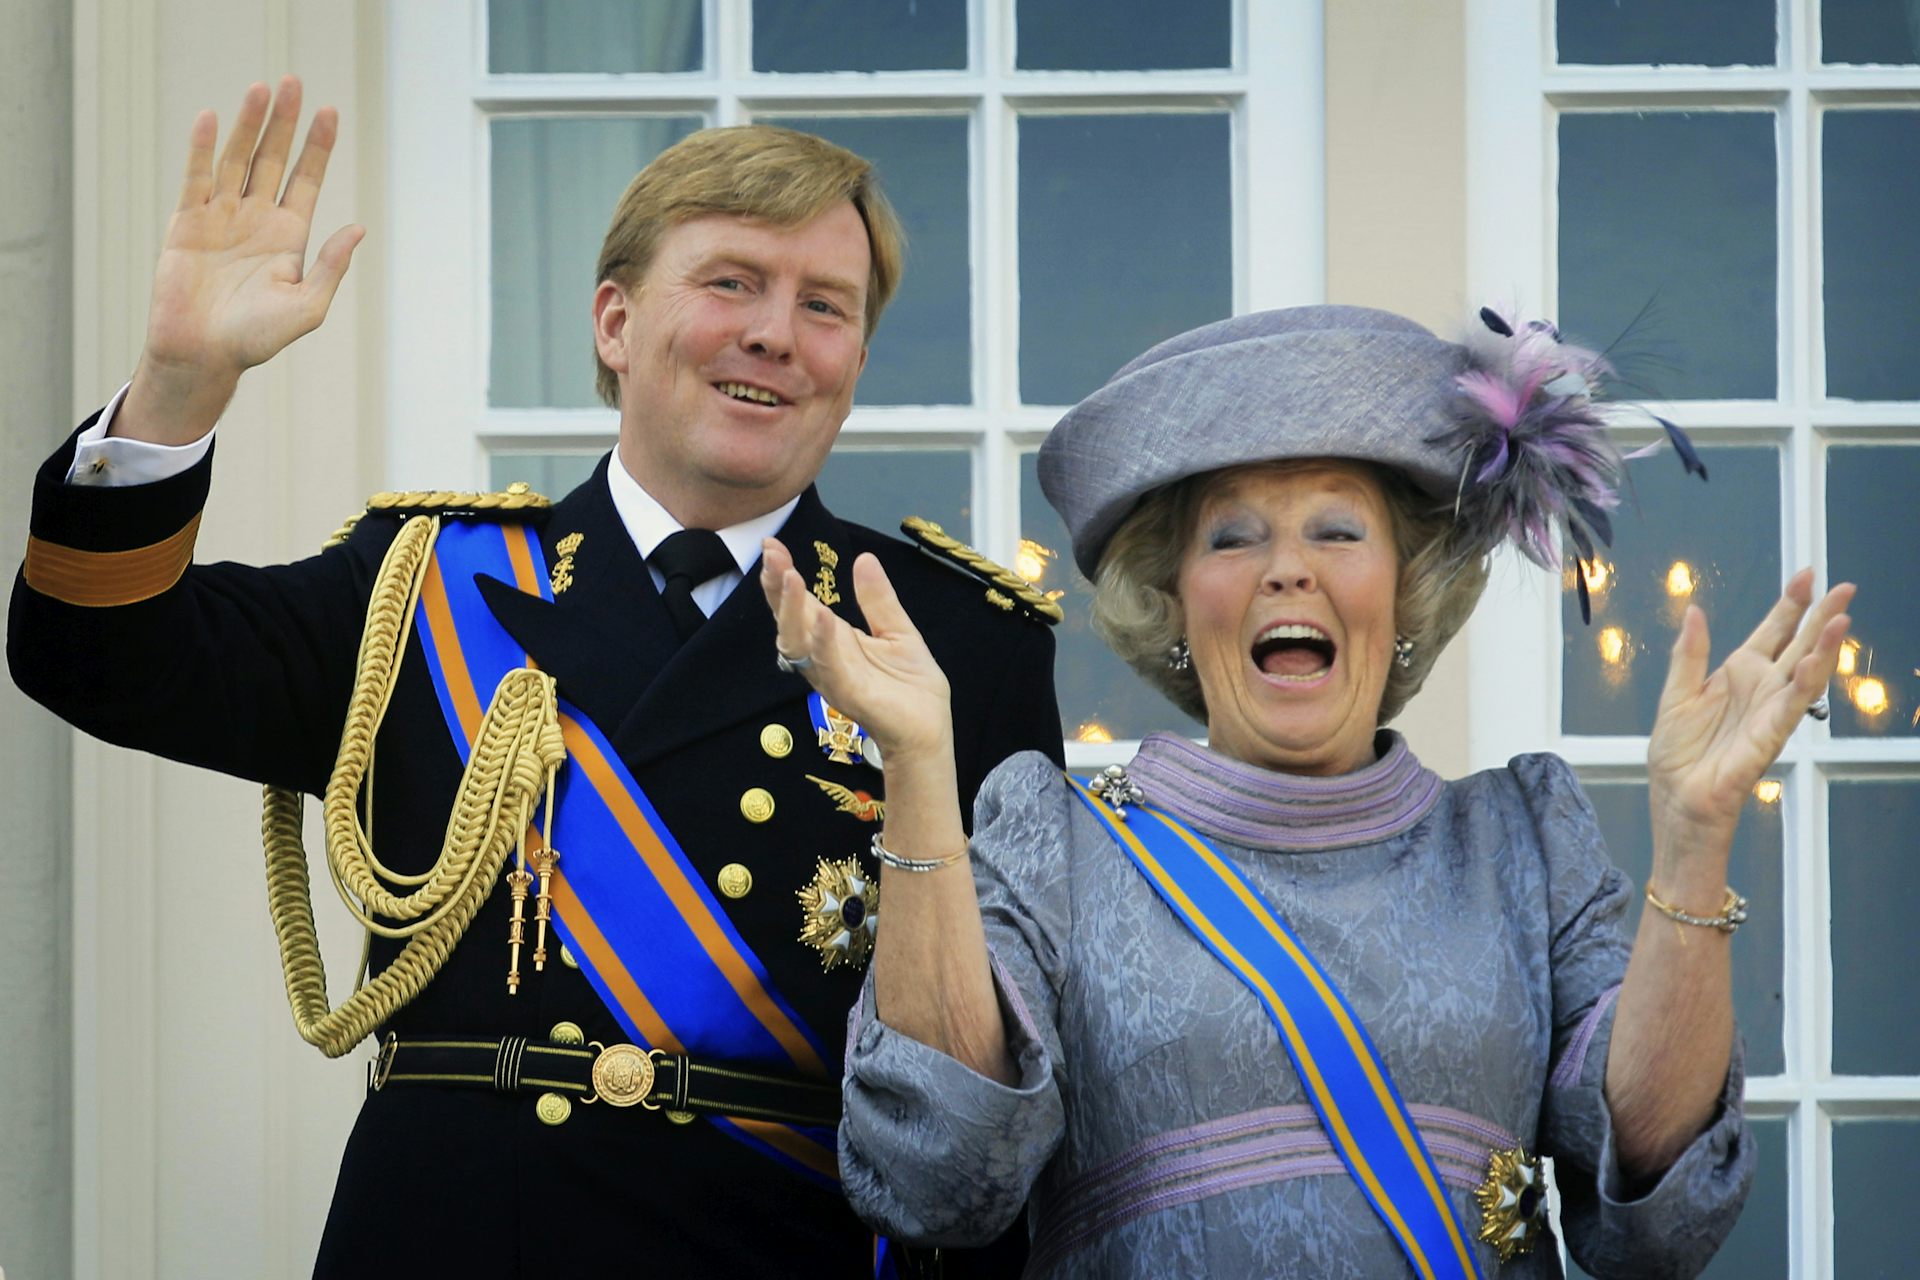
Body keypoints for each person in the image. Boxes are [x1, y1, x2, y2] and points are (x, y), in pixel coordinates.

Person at [8, 76, 1063, 1276]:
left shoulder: (954, 640)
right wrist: (181, 384)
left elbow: (991, 1083)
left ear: (855, 358)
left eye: (826, 304)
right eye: (730, 282)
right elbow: (95, 653)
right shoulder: (422, 586)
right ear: (615, 323)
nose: (776, 332)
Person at [758, 305, 1854, 1278]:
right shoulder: (1055, 842)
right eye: (1235, 536)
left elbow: (1659, 1219)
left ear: (1407, 587)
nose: (1290, 567)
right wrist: (912, 764)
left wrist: (1697, 835)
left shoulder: (1525, 839)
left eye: (1338, 529)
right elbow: (938, 1181)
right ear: (1177, 602)